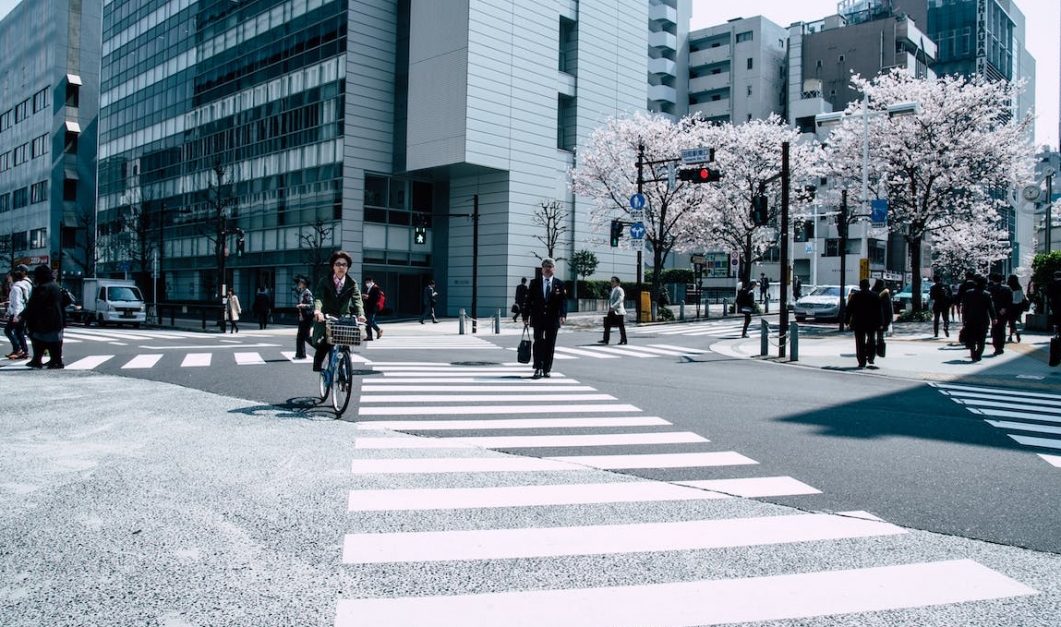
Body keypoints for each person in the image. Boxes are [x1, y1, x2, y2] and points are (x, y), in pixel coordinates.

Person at [311, 251, 366, 372]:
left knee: (346, 342)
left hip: (343, 318)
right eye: (338, 264)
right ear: (333, 266)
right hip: (327, 316)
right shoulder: (324, 281)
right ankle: (318, 363)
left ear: (348, 267)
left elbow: (357, 300)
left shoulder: (352, 283)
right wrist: (317, 311)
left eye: (344, 264)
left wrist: (361, 314)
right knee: (325, 342)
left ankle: (343, 372)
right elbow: (319, 297)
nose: (341, 267)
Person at [524, 257, 566, 379]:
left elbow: (563, 301)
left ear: (554, 269)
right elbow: (528, 301)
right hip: (538, 318)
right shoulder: (534, 283)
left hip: (553, 319)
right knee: (538, 343)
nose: (548, 269)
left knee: (550, 343)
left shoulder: (559, 284)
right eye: (545, 266)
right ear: (542, 269)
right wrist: (525, 316)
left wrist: (563, 315)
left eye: (550, 266)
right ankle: (538, 367)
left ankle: (547, 368)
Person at [22, 265, 70, 369]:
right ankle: (56, 360)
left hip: (44, 319)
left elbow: (35, 304)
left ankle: (39, 360)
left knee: (38, 340)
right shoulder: (55, 285)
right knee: (55, 341)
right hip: (56, 318)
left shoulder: (43, 287)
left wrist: (23, 315)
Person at [845, 278, 882, 369]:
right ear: (869, 286)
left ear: (860, 287)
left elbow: (849, 310)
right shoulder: (874, 296)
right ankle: (871, 357)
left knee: (859, 342)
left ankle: (862, 361)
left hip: (858, 322)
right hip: (871, 322)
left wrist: (847, 321)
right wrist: (880, 322)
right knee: (871, 339)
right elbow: (879, 311)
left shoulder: (855, 296)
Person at [961, 275, 995, 362]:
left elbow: (964, 308)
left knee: (972, 337)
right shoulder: (987, 294)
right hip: (983, 320)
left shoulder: (968, 293)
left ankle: (973, 352)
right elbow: (990, 308)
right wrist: (993, 318)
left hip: (970, 318)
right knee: (982, 339)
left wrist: (964, 318)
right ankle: (979, 354)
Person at [5, 265, 32, 360]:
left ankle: (17, 349)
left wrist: (16, 316)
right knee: (19, 332)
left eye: (9, 276)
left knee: (8, 330)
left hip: (18, 313)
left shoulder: (16, 288)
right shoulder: (20, 286)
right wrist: (8, 313)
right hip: (21, 312)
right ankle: (24, 351)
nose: (7, 278)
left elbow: (17, 303)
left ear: (13, 277)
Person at [985, 273, 1012, 356]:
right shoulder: (1007, 289)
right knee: (1002, 328)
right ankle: (1001, 346)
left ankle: (996, 346)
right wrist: (1005, 308)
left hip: (994, 312)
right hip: (1003, 312)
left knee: (995, 328)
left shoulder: (990, 289)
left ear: (992, 280)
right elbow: (1010, 300)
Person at [599, 276, 627, 345]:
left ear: (617, 283)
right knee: (607, 325)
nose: (612, 283)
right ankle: (606, 339)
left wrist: (614, 306)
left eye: (613, 281)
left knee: (621, 326)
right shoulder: (612, 290)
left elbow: (620, 299)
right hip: (611, 310)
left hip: (618, 311)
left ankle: (624, 339)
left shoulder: (620, 290)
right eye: (611, 281)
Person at [293, 276, 314, 360]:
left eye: (301, 283)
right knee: (301, 337)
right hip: (303, 317)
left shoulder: (307, 292)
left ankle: (320, 348)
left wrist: (303, 305)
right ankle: (300, 354)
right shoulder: (302, 292)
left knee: (305, 336)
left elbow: (311, 305)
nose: (299, 284)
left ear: (304, 284)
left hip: (307, 317)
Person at [361, 276, 384, 340]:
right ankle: (369, 336)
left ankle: (378, 330)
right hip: (367, 307)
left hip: (373, 307)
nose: (366, 283)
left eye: (368, 282)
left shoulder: (376, 288)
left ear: (371, 281)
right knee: (367, 322)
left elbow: (377, 298)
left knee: (370, 321)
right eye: (366, 282)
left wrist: (368, 297)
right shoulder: (366, 288)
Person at [872, 278, 893, 346]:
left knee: (871, 333)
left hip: (873, 315)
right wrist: (890, 318)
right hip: (883, 316)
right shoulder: (885, 293)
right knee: (880, 333)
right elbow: (889, 306)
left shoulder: (872, 291)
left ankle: (871, 345)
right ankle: (880, 345)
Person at [1006, 274, 1025, 343]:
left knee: (1011, 322)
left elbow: (1010, 298)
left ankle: (1016, 333)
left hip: (1011, 306)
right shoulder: (1019, 287)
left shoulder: (1009, 288)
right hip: (1018, 307)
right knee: (1012, 322)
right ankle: (1010, 336)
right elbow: (1021, 298)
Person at [1047, 270, 1061, 335]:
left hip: (1055, 303)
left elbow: (1049, 295)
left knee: (1055, 317)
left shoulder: (1052, 284)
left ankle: (1055, 332)